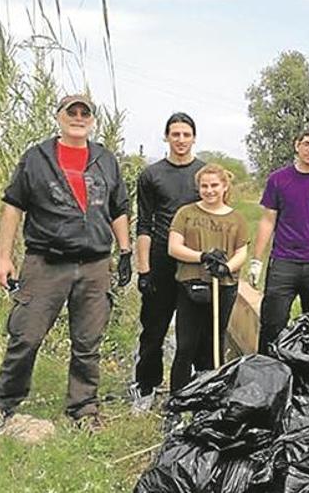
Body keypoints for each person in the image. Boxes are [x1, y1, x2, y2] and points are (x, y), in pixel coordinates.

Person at [0, 94, 131, 432]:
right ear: (58, 117)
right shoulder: (36, 158)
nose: (78, 117)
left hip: (95, 264)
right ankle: (4, 404)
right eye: (71, 112)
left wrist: (126, 251)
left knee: (88, 342)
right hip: (46, 262)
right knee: (26, 336)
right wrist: (3, 257)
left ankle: (83, 408)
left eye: (84, 112)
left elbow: (118, 209)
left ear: (92, 120)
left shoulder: (105, 159)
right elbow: (13, 206)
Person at [128, 112, 206, 413]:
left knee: (196, 332)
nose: (181, 140)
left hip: (194, 262)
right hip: (161, 260)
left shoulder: (204, 174)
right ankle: (146, 386)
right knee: (154, 328)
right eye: (176, 134)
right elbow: (144, 225)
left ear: (194, 138)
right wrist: (143, 269)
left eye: (186, 135)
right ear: (166, 137)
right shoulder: (151, 175)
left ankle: (195, 391)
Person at [249, 128, 309, 354]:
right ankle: (270, 377)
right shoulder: (278, 179)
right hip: (284, 261)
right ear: (297, 145)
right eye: (307, 143)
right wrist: (256, 260)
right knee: (273, 322)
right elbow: (267, 220)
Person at [167, 164, 248, 393]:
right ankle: (179, 397)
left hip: (224, 286)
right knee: (186, 345)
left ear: (224, 187)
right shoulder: (186, 213)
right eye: (204, 186)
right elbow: (174, 247)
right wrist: (201, 257)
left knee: (214, 342)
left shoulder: (237, 219)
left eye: (214, 185)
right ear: (198, 188)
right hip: (191, 284)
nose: (209, 190)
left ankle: (209, 395)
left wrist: (225, 268)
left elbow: (241, 252)